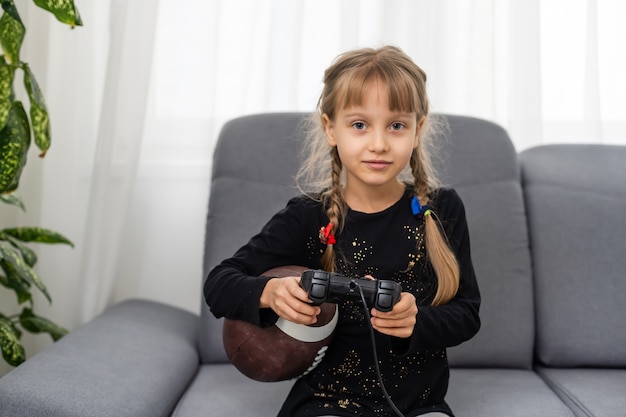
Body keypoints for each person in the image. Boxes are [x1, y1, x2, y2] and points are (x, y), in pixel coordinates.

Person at [204, 45, 481, 417]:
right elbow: (219, 283)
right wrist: (270, 292)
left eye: (397, 125)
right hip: (326, 402)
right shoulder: (309, 216)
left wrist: (417, 321)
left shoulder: (441, 209)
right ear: (330, 128)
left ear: (418, 130)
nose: (379, 143)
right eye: (359, 125)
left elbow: (467, 314)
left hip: (418, 404)